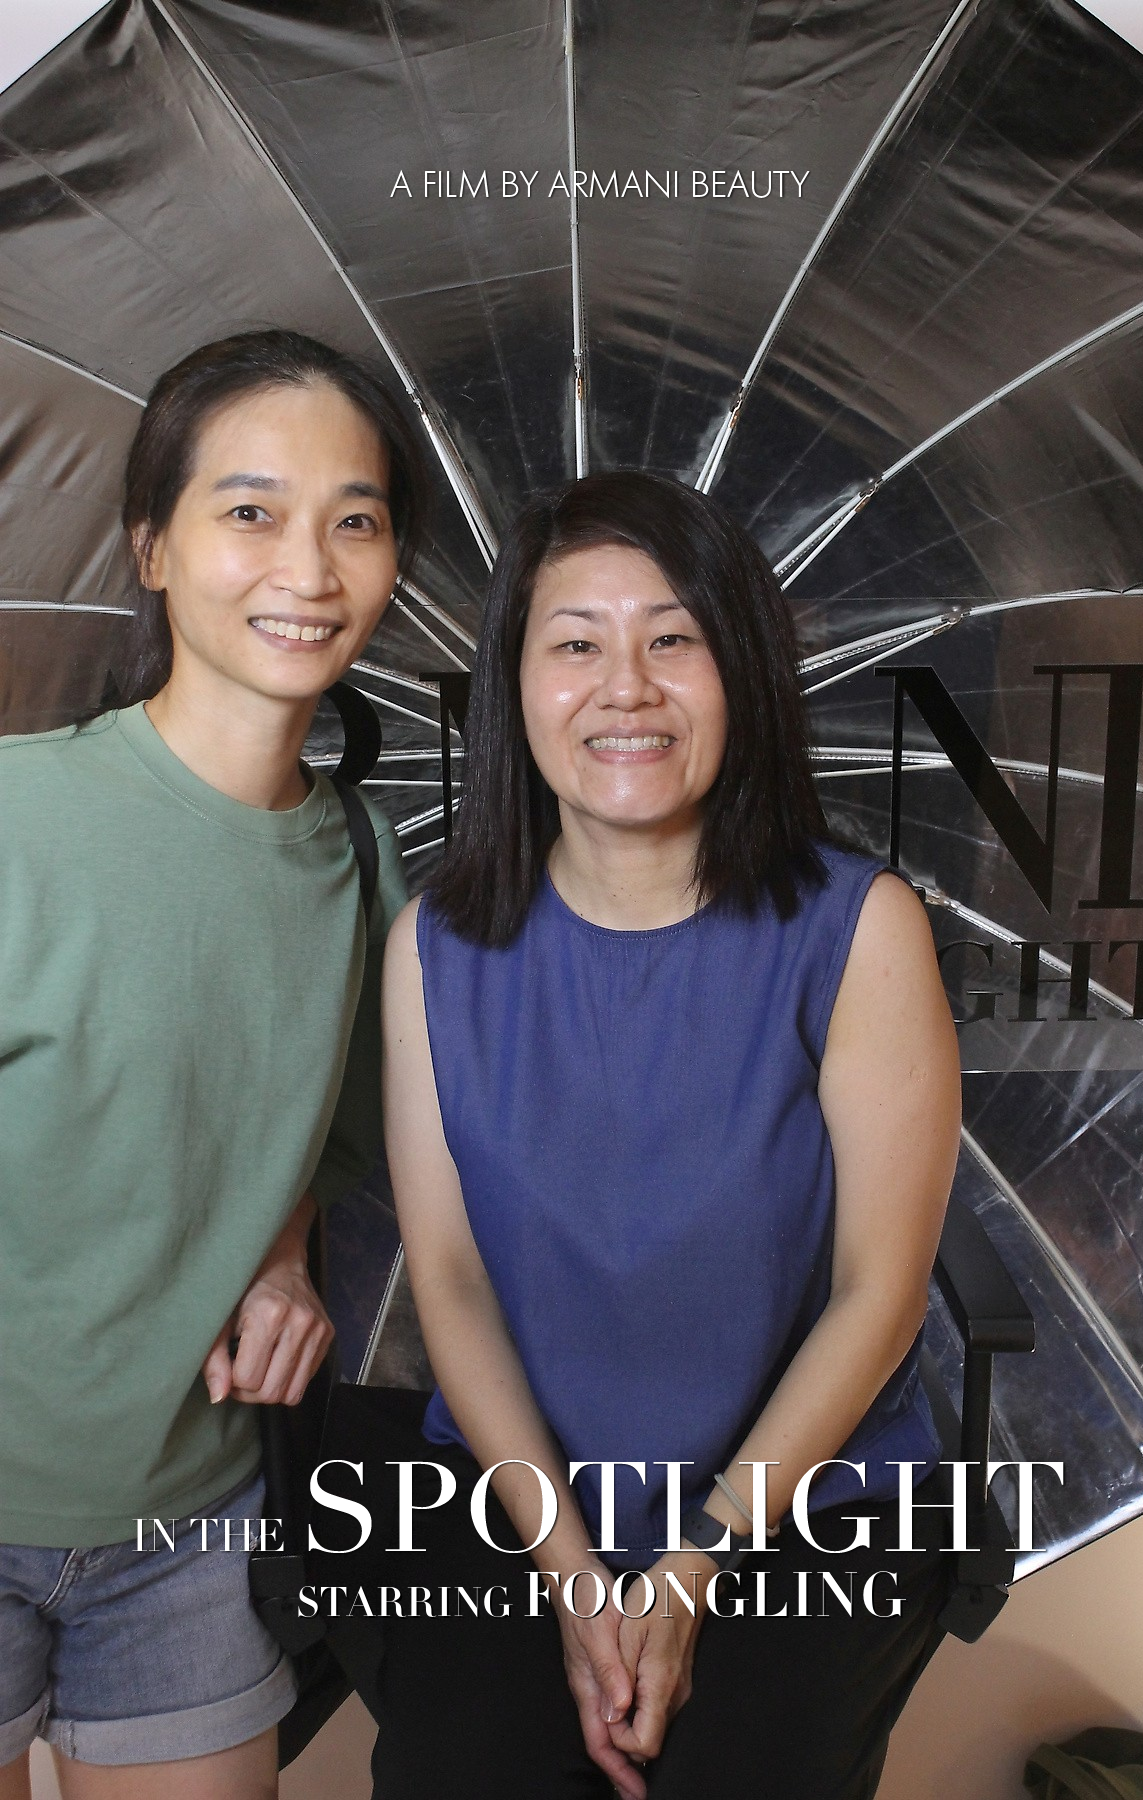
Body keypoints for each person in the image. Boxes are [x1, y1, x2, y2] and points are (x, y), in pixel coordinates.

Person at [374, 469, 962, 1800]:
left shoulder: (857, 928)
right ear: (514, 686)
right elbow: (449, 1282)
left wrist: (691, 1572)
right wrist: (577, 1578)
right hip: (524, 1499)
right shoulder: (435, 950)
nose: (625, 688)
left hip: (807, 1501)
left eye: (673, 639)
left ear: (740, 672)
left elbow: (880, 1294)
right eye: (576, 644)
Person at [0, 330, 422, 1800]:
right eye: (251, 510)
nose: (308, 567)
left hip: (191, 1525)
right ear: (152, 547)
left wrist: (287, 1258)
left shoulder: (366, 861)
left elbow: (330, 1142)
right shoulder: (18, 820)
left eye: (355, 520)